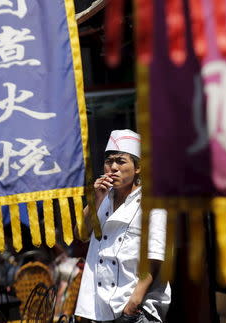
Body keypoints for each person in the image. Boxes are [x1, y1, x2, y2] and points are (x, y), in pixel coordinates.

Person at [75, 129, 171, 323]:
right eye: (109, 161)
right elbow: (82, 234)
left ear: (137, 168)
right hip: (101, 309)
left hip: (135, 310)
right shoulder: (102, 198)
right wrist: (96, 199)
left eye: (120, 161)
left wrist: (134, 303)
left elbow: (155, 257)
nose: (113, 167)